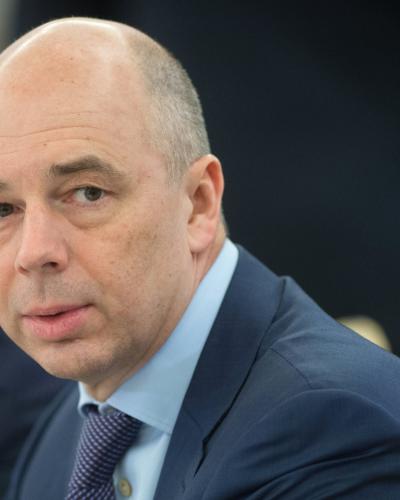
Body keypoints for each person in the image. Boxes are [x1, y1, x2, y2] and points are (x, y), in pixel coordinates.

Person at [2, 17, 400, 500]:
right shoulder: (63, 433)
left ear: (198, 204)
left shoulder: (333, 431)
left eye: (88, 193)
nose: (34, 252)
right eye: (3, 210)